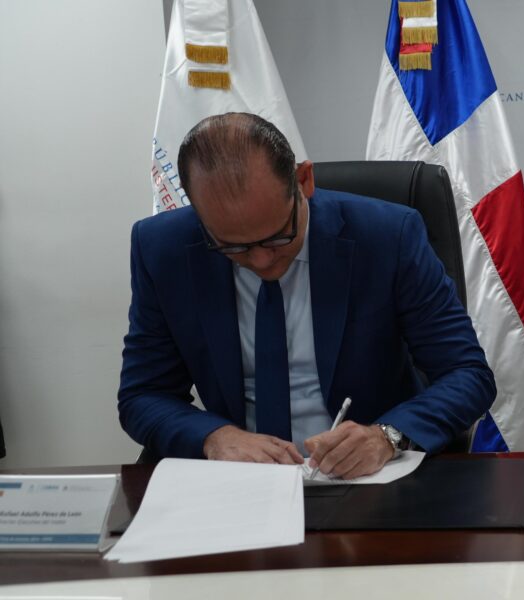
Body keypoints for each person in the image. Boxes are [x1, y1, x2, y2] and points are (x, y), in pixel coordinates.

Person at [118, 113, 495, 478]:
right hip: (241, 480)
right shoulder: (162, 249)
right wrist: (213, 437)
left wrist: (387, 436)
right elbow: (144, 394)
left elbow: (467, 374)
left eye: (277, 237)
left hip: (367, 480)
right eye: (233, 247)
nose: (261, 260)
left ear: (304, 181)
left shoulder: (387, 236)